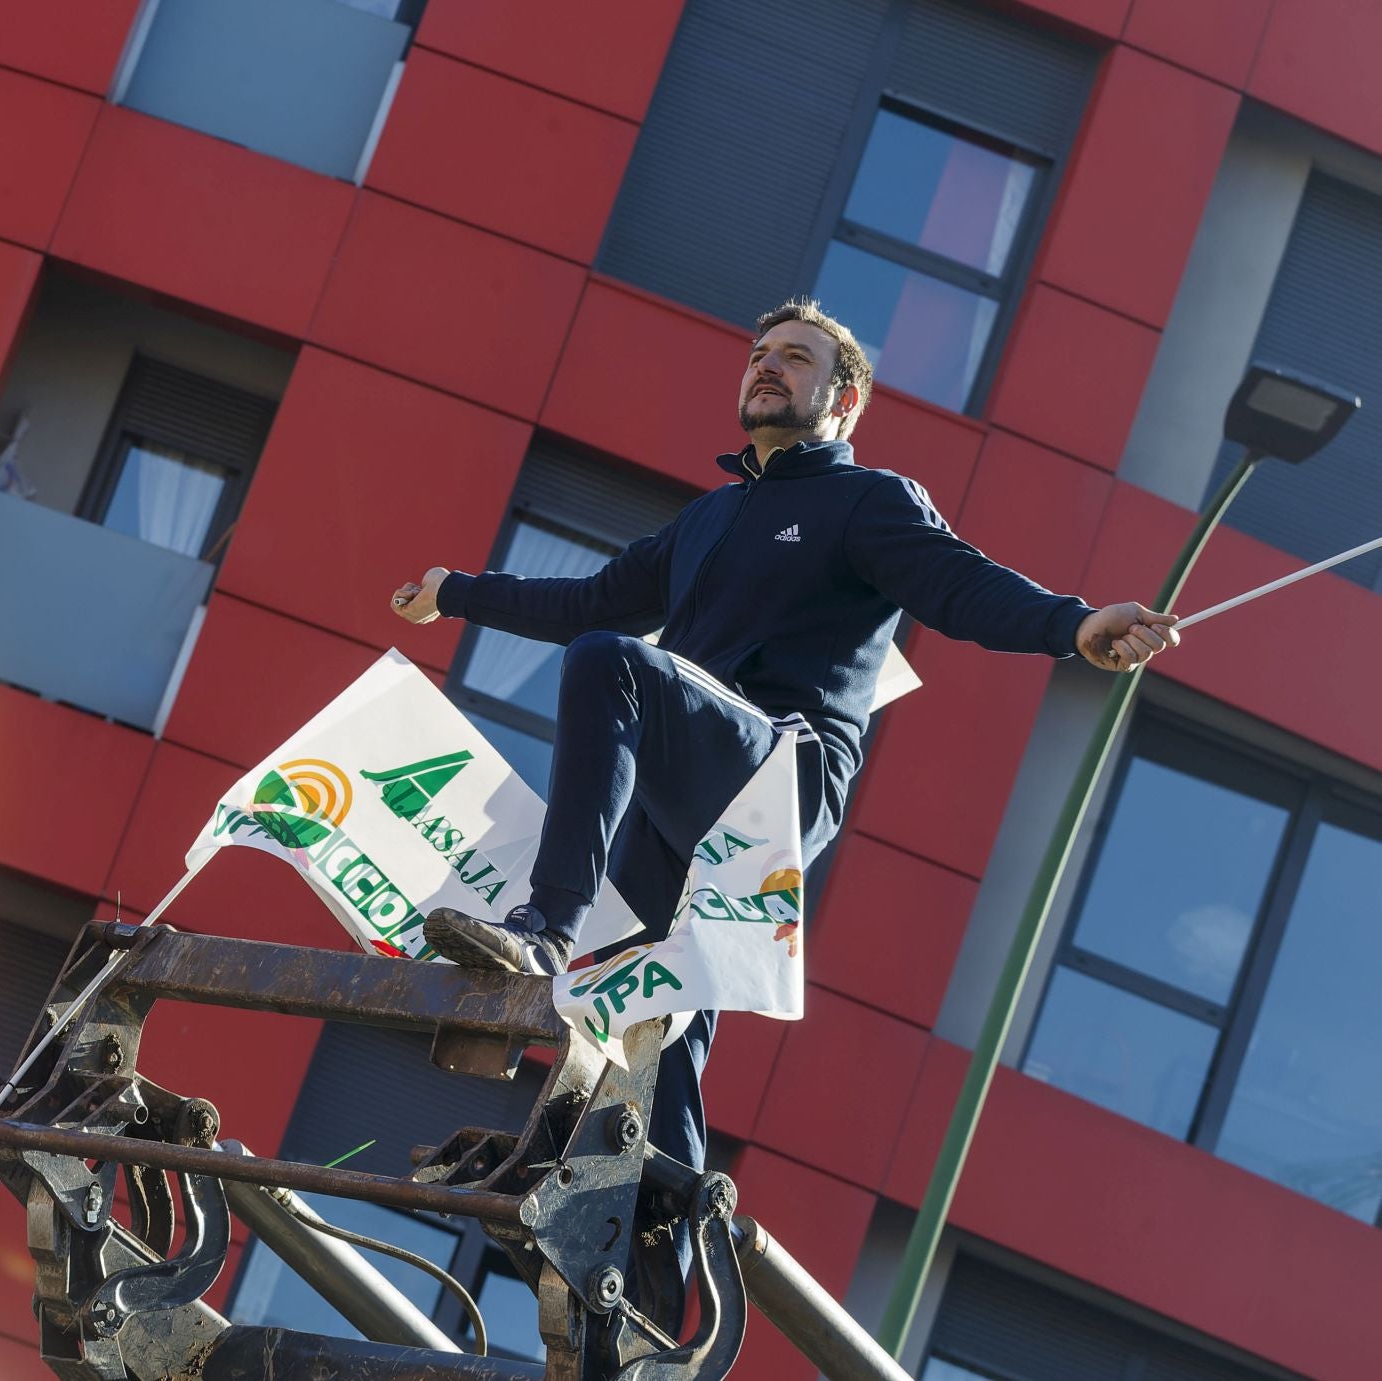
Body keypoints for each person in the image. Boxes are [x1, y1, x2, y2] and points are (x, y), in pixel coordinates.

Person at [388, 297, 1177, 1317]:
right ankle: (660, 1293)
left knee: (617, 672)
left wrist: (1076, 626)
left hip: (776, 777)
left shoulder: (869, 501)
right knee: (653, 1029)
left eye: (796, 359)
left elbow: (961, 588)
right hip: (686, 803)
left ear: (842, 400)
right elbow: (587, 599)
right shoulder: (707, 520)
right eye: (760, 355)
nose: (767, 369)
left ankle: (543, 925)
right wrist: (458, 591)